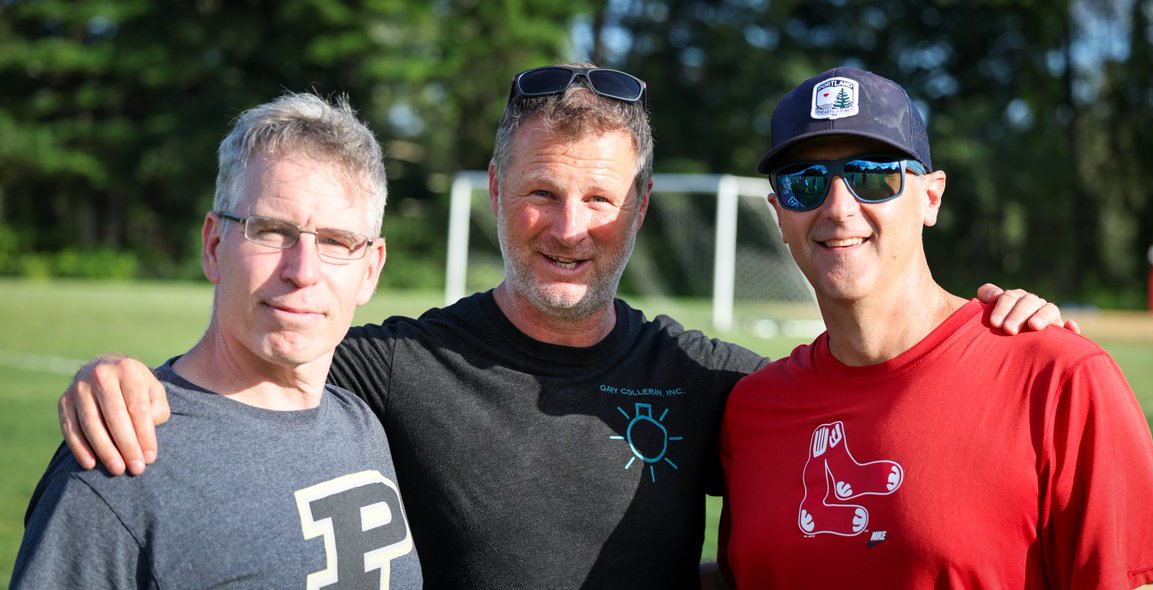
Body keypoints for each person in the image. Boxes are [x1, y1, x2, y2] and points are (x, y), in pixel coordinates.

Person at [53, 64, 1071, 588]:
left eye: (600, 200)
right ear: (498, 192)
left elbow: (864, 410)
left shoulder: (714, 382)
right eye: (541, 192)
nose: (569, 228)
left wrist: (992, 332)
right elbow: (263, 353)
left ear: (640, 208)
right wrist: (128, 378)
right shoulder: (395, 366)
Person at [718, 66, 1153, 588]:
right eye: (804, 183)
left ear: (931, 197)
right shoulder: (752, 409)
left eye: (872, 176)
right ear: (779, 214)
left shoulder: (1059, 378)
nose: (837, 207)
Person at [10, 93, 422, 588]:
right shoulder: (120, 464)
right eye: (271, 231)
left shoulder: (364, 424)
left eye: (336, 241)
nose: (303, 271)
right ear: (213, 245)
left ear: (370, 270)